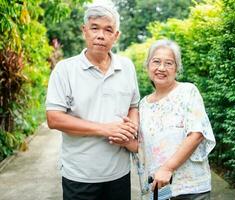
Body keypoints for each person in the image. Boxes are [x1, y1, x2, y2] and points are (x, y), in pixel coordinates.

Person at [45, 1, 140, 200]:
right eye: (94, 28)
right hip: (80, 175)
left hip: (119, 173)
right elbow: (54, 119)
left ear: (116, 36)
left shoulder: (127, 67)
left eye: (108, 30)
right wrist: (105, 129)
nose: (100, 35)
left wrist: (131, 126)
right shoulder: (65, 70)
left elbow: (133, 105)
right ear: (84, 31)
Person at [137, 39, 216, 200]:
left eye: (169, 63)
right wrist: (117, 136)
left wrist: (167, 168)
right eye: (156, 62)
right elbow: (141, 145)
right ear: (148, 66)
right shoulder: (143, 104)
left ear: (177, 68)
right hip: (159, 188)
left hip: (191, 188)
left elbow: (197, 133)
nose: (161, 68)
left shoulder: (188, 91)